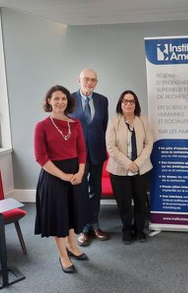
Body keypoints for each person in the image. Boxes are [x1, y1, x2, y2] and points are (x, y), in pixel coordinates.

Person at [34, 85, 92, 274]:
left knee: (72, 213)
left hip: (75, 174)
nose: (60, 102)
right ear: (49, 101)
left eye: (64, 99)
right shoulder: (41, 126)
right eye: (56, 98)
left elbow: (82, 150)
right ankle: (63, 256)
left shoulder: (75, 123)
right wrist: (64, 176)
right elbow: (41, 158)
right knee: (59, 217)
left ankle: (72, 246)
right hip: (53, 177)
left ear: (68, 101)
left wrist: (81, 172)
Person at [106, 90, 154, 244]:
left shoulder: (143, 121)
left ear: (136, 104)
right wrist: (128, 164)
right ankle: (126, 230)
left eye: (131, 101)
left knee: (140, 201)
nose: (128, 104)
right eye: (125, 101)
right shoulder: (114, 122)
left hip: (141, 168)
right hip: (119, 170)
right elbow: (111, 147)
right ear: (121, 104)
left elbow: (149, 144)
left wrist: (137, 163)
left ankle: (139, 230)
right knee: (124, 202)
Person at [69, 69, 110, 246]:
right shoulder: (69, 100)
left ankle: (95, 224)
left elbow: (102, 125)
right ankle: (84, 228)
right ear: (78, 80)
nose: (89, 82)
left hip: (97, 153)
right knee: (81, 192)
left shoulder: (102, 100)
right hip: (77, 156)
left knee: (95, 190)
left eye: (93, 80)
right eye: (86, 79)